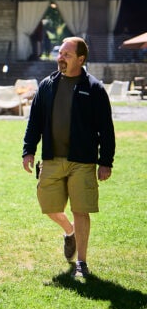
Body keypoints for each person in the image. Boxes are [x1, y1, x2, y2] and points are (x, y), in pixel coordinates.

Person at [22, 36, 115, 278]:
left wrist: (105, 161)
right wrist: (29, 149)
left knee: (80, 210)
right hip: (52, 158)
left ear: (80, 59)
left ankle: (81, 263)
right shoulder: (47, 85)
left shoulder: (94, 88)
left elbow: (106, 128)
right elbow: (35, 121)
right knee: (48, 206)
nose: (60, 58)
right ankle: (69, 231)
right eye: (60, 53)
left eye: (66, 54)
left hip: (82, 161)